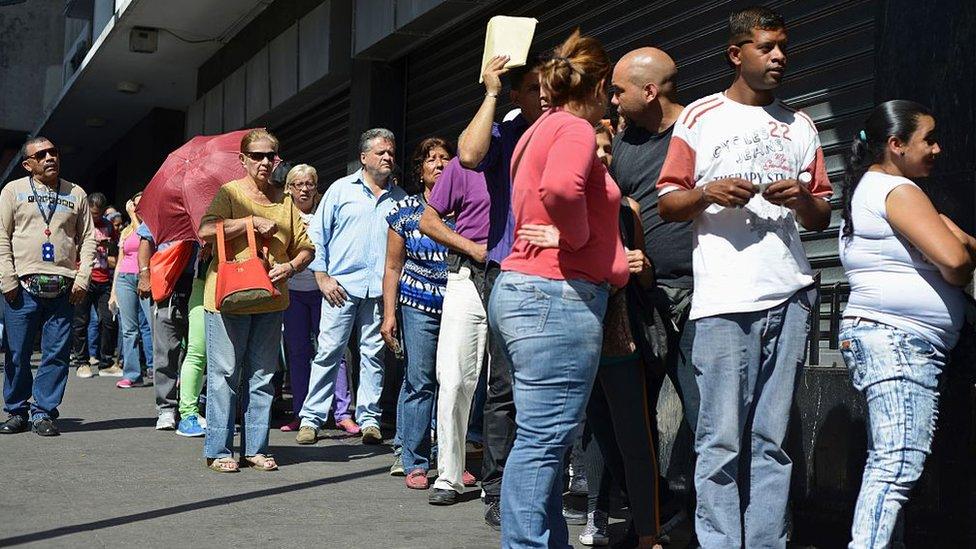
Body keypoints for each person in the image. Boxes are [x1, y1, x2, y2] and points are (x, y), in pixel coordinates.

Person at [656, 6, 833, 547]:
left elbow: (822, 214)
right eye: (766, 47)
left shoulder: (800, 124)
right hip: (723, 301)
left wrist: (803, 197)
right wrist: (708, 192)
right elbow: (667, 203)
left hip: (789, 294)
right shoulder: (700, 118)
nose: (779, 56)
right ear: (737, 54)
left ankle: (765, 541)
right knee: (721, 440)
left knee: (771, 439)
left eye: (783, 46)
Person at [488, 30, 628, 547]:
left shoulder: (539, 128)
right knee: (544, 443)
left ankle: (545, 541)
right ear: (593, 86)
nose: (614, 99)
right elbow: (561, 189)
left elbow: (548, 194)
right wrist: (578, 238)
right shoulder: (572, 128)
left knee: (540, 438)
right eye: (610, 88)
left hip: (530, 293)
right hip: (555, 297)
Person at [838, 101, 973, 548]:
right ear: (896, 145)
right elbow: (957, 260)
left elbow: (964, 241)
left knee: (890, 464)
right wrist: (956, 246)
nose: (937, 148)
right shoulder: (898, 191)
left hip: (892, 339)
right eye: (928, 139)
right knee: (896, 464)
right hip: (897, 340)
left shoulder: (873, 190)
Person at [609, 45, 700, 538]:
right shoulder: (625, 142)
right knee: (631, 419)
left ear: (649, 90)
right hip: (639, 297)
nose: (613, 100)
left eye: (619, 90)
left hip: (698, 295)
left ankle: (704, 521)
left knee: (703, 411)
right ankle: (652, 515)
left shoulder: (700, 132)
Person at [456, 50, 544, 529]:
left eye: (550, 86)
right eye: (533, 88)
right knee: (505, 386)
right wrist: (489, 91)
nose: (545, 95)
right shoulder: (505, 133)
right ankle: (498, 486)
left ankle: (549, 486)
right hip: (507, 272)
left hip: (559, 276)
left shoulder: (569, 133)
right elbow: (468, 155)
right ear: (516, 96)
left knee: (549, 388)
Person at [197, 129, 314, 472]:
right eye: (258, 156)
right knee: (224, 374)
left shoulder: (286, 200)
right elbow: (206, 230)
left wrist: (290, 267)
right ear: (243, 160)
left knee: (263, 377)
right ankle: (218, 450)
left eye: (271, 156)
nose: (265, 162)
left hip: (271, 299)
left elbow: (307, 247)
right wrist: (248, 222)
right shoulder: (229, 194)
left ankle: (256, 448)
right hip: (227, 299)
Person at [297, 128, 407, 446]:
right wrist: (322, 277)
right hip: (340, 288)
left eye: (391, 152)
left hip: (379, 291)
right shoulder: (340, 190)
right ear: (363, 157)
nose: (388, 157)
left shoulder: (400, 199)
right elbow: (317, 235)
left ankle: (369, 420)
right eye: (381, 153)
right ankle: (312, 419)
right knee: (329, 351)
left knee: (373, 355)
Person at [0, 136, 95, 436]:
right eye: (41, 155)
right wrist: (7, 278)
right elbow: (2, 236)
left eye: (53, 151)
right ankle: (17, 411)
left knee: (56, 354)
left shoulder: (75, 193)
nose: (49, 157)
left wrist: (83, 277)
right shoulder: (13, 191)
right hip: (21, 286)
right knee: (17, 353)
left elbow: (89, 237)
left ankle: (43, 413)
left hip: (64, 288)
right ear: (28, 165)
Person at [414, 152, 491, 502]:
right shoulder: (464, 166)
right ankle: (448, 475)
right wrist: (473, 248)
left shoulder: (533, 161)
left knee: (511, 386)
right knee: (455, 379)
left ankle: (504, 478)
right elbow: (428, 222)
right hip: (467, 276)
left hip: (519, 274)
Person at [380, 138, 453, 489]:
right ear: (420, 169)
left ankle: (451, 459)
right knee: (420, 380)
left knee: (454, 383)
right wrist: (389, 315)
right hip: (417, 305)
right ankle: (414, 460)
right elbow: (393, 268)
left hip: (458, 304)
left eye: (444, 159)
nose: (438, 164)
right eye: (431, 159)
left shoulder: (466, 208)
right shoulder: (405, 210)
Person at [280, 164, 359, 435]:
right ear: (289, 189)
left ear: (316, 187)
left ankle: (342, 412)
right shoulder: (281, 215)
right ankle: (302, 412)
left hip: (324, 292)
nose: (304, 189)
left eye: (309, 184)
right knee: (298, 353)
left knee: (333, 351)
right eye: (298, 184)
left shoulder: (326, 212)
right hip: (292, 294)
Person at [71, 192, 120, 378]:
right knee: (80, 321)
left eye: (98, 214)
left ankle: (106, 361)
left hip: (104, 278)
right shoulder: (80, 222)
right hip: (84, 277)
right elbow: (70, 250)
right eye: (92, 213)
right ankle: (82, 362)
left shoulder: (108, 226)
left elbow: (116, 250)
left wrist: (108, 246)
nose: (95, 217)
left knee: (107, 320)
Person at [108, 192, 154, 388]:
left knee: (153, 327)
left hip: (146, 277)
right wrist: (113, 291)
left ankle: (158, 369)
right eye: (134, 205)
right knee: (128, 329)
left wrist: (133, 215)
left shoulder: (151, 226)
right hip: (125, 278)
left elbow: (142, 235)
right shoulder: (126, 231)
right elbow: (119, 261)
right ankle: (132, 373)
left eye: (140, 205)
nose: (136, 209)